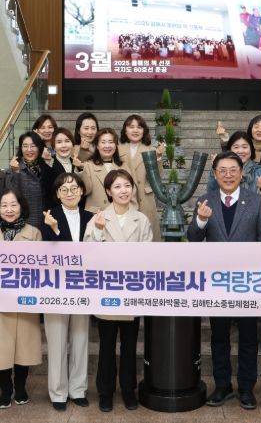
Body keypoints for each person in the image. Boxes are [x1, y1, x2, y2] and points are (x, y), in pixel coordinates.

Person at [187, 151, 261, 410]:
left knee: (248, 337)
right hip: (217, 284)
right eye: (222, 170)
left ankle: (247, 388)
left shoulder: (256, 201)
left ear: (241, 173)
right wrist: (201, 220)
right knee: (219, 337)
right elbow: (192, 239)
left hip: (248, 283)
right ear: (215, 174)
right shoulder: (205, 200)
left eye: (233, 170)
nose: (228, 175)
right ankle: (222, 385)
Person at [84, 169, 154, 412]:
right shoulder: (98, 218)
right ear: (108, 191)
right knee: (106, 346)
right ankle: (105, 392)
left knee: (129, 345)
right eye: (117, 186)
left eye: (127, 185)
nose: (123, 191)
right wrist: (99, 230)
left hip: (131, 291)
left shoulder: (141, 219)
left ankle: (128, 389)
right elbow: (88, 254)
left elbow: (148, 255)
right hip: (107, 291)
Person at [0, 188, 43, 408]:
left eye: (13, 205)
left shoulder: (34, 233)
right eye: (4, 205)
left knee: (23, 348)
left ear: (21, 207)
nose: (9, 209)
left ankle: (21, 387)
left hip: (24, 301)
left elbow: (42, 267)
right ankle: (5, 389)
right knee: (0, 347)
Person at [39, 172, 94, 411]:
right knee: (57, 341)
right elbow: (48, 254)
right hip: (55, 288)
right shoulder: (48, 218)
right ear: (57, 194)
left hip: (82, 287)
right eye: (64, 189)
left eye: (74, 188)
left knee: (80, 340)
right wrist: (54, 229)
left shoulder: (92, 218)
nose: (69, 193)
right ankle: (58, 393)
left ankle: (78, 389)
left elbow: (94, 252)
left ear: (82, 191)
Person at [118, 114, 164, 241]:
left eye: (139, 127)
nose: (135, 130)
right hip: (123, 197)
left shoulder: (151, 150)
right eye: (131, 127)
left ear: (144, 131)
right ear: (125, 130)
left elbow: (157, 178)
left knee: (147, 236)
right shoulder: (117, 149)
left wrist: (158, 157)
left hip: (145, 198)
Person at [81, 128, 134, 213]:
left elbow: (132, 192)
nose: (107, 146)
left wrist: (131, 211)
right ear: (97, 146)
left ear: (116, 145)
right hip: (97, 214)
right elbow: (86, 190)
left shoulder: (124, 166)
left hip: (121, 213)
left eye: (111, 142)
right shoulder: (88, 165)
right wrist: (80, 169)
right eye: (103, 142)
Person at [5, 132, 47, 227]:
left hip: (45, 222)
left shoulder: (45, 167)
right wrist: (16, 172)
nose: (29, 150)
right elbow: (11, 197)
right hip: (23, 224)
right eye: (25, 146)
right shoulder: (13, 170)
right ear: (21, 148)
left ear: (39, 148)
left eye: (33, 146)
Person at [41, 128, 79, 210]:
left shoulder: (77, 164)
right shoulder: (48, 164)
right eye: (59, 142)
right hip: (55, 211)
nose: (64, 145)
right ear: (54, 147)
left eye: (67, 141)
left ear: (73, 144)